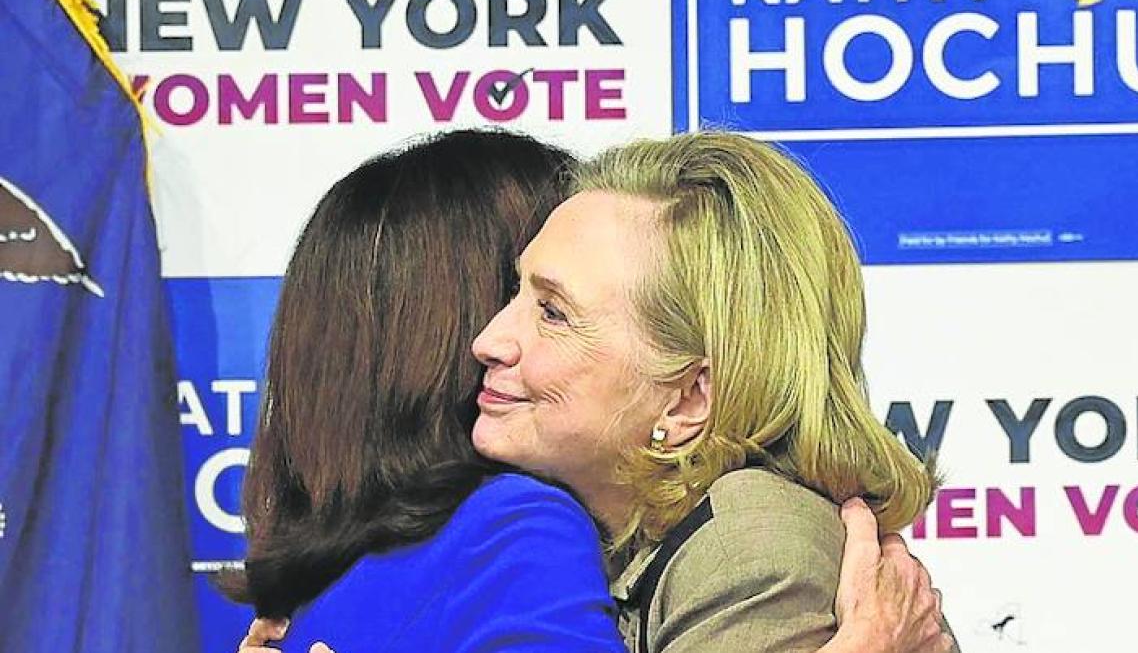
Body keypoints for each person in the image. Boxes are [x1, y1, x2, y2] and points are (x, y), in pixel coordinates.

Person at [234, 129, 952, 653]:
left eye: (552, 312)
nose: (487, 338)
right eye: (512, 290)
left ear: (688, 398)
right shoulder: (591, 539)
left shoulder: (749, 541)